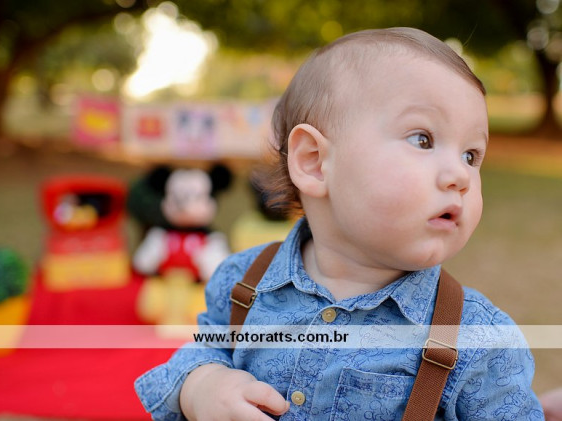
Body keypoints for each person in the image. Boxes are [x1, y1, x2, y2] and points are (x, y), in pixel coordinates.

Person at [134, 27, 545, 420]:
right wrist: (201, 385)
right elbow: (204, 350)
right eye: (423, 139)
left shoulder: (476, 338)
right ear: (314, 162)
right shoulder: (243, 282)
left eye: (471, 155)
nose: (460, 176)